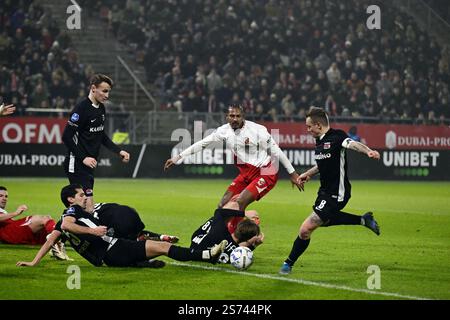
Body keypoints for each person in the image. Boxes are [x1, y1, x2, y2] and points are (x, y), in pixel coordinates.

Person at [17, 184, 226, 268]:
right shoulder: (72, 213)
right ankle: (208, 255)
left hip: (109, 255)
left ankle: (144, 262)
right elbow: (69, 225)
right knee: (161, 248)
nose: (84, 197)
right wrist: (92, 230)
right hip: (112, 249)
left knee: (151, 248)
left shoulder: (64, 220)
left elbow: (50, 240)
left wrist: (34, 262)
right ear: (71, 199)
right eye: (81, 195)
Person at [279, 107, 381, 275]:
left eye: (309, 126)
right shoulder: (319, 140)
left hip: (337, 193)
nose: (307, 130)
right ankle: (364, 220)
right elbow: (323, 163)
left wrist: (368, 151)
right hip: (324, 192)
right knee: (324, 220)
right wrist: (307, 174)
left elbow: (354, 144)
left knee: (306, 228)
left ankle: (288, 264)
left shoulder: (337, 136)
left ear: (318, 125)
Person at [164, 104, 303, 210]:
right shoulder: (223, 131)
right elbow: (203, 143)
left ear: (243, 117)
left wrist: (292, 173)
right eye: (232, 116)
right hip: (245, 173)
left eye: (238, 116)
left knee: (239, 203)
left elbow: (276, 151)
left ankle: (238, 239)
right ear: (227, 117)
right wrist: (178, 157)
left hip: (265, 173)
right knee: (222, 205)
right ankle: (223, 237)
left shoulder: (258, 130)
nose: (235, 119)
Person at [62, 74, 130, 213]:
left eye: (109, 91)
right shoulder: (81, 109)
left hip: (89, 165)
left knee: (84, 208)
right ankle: (70, 228)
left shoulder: (101, 108)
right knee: (88, 207)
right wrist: (83, 158)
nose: (107, 95)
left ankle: (67, 228)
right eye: (104, 91)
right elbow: (66, 137)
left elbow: (101, 136)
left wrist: (118, 151)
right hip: (76, 163)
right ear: (93, 88)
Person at [190, 201, 264, 265]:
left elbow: (219, 212)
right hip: (203, 251)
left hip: (196, 245)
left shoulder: (220, 230)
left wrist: (244, 213)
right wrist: (254, 245)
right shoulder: (234, 252)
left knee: (233, 206)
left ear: (238, 226)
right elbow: (242, 250)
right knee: (232, 206)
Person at [92, 202, 179, 243]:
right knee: (136, 236)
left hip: (118, 219)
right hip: (128, 211)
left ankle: (162, 238)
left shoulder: (90, 215)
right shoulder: (94, 207)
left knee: (129, 241)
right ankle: (163, 237)